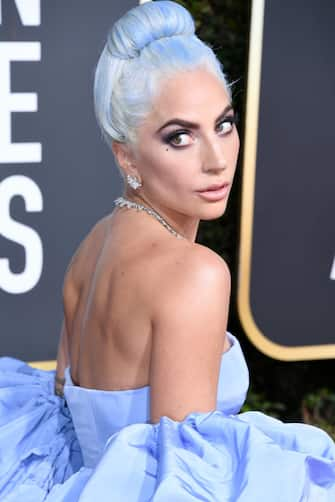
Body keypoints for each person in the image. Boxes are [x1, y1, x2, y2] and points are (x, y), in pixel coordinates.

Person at [1, 1, 335, 500]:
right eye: (180, 137)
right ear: (126, 155)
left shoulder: (91, 248)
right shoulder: (196, 274)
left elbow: (67, 403)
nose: (217, 160)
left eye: (223, 124)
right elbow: (182, 480)